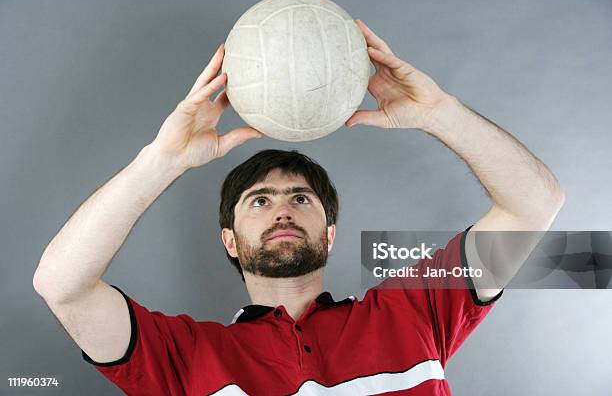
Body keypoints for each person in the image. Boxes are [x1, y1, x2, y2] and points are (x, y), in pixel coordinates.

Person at [33, 20, 564, 395]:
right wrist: (162, 160)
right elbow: (62, 286)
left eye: (301, 198)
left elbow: (534, 207)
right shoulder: (184, 357)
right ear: (230, 239)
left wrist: (440, 113)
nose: (281, 210)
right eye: (258, 200)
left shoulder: (415, 311)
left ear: (330, 234)